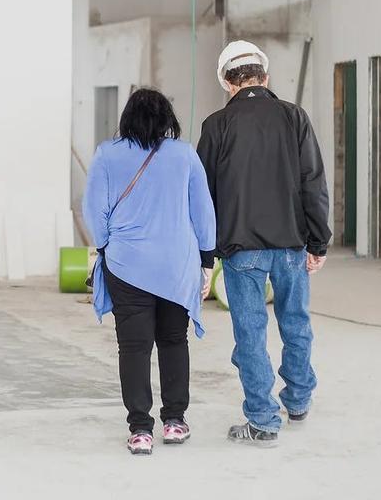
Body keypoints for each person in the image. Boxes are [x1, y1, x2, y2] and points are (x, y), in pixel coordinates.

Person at [197, 40, 333, 447]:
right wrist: (318, 242)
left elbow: (202, 195)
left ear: (226, 81)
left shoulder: (216, 125)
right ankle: (298, 399)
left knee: (251, 333)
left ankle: (262, 419)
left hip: (242, 249)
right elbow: (314, 183)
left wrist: (205, 255)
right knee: (296, 322)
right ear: (266, 77)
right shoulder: (295, 117)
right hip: (292, 243)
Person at [85, 87, 217, 456]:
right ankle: (175, 420)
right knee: (174, 341)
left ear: (127, 118)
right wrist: (207, 260)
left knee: (134, 347)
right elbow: (203, 212)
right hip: (176, 265)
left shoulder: (107, 155)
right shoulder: (185, 155)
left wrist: (106, 245)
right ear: (166, 120)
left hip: (127, 267)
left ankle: (140, 429)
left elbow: (94, 211)